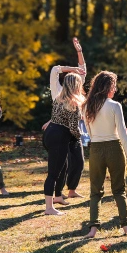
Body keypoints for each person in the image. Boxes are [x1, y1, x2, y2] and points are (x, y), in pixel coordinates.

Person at [83, 71, 127, 238]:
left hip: (96, 150)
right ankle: (126, 226)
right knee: (119, 190)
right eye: (114, 86)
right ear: (108, 87)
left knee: (95, 191)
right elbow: (121, 134)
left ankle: (93, 228)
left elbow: (91, 133)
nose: (115, 89)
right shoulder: (114, 106)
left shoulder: (86, 106)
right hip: (114, 149)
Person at [40, 38, 87, 216]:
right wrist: (78, 136)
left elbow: (57, 118)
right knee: (54, 172)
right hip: (60, 136)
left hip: (50, 134)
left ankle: (57, 198)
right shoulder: (73, 101)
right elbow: (74, 127)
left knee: (58, 169)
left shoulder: (59, 98)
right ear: (76, 85)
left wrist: (79, 53)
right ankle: (50, 207)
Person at [65, 38, 88, 199]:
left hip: (76, 132)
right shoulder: (58, 90)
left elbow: (82, 69)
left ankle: (72, 190)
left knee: (78, 162)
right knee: (64, 163)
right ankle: (57, 192)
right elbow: (55, 70)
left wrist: (79, 51)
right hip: (61, 131)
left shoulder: (79, 94)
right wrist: (71, 68)